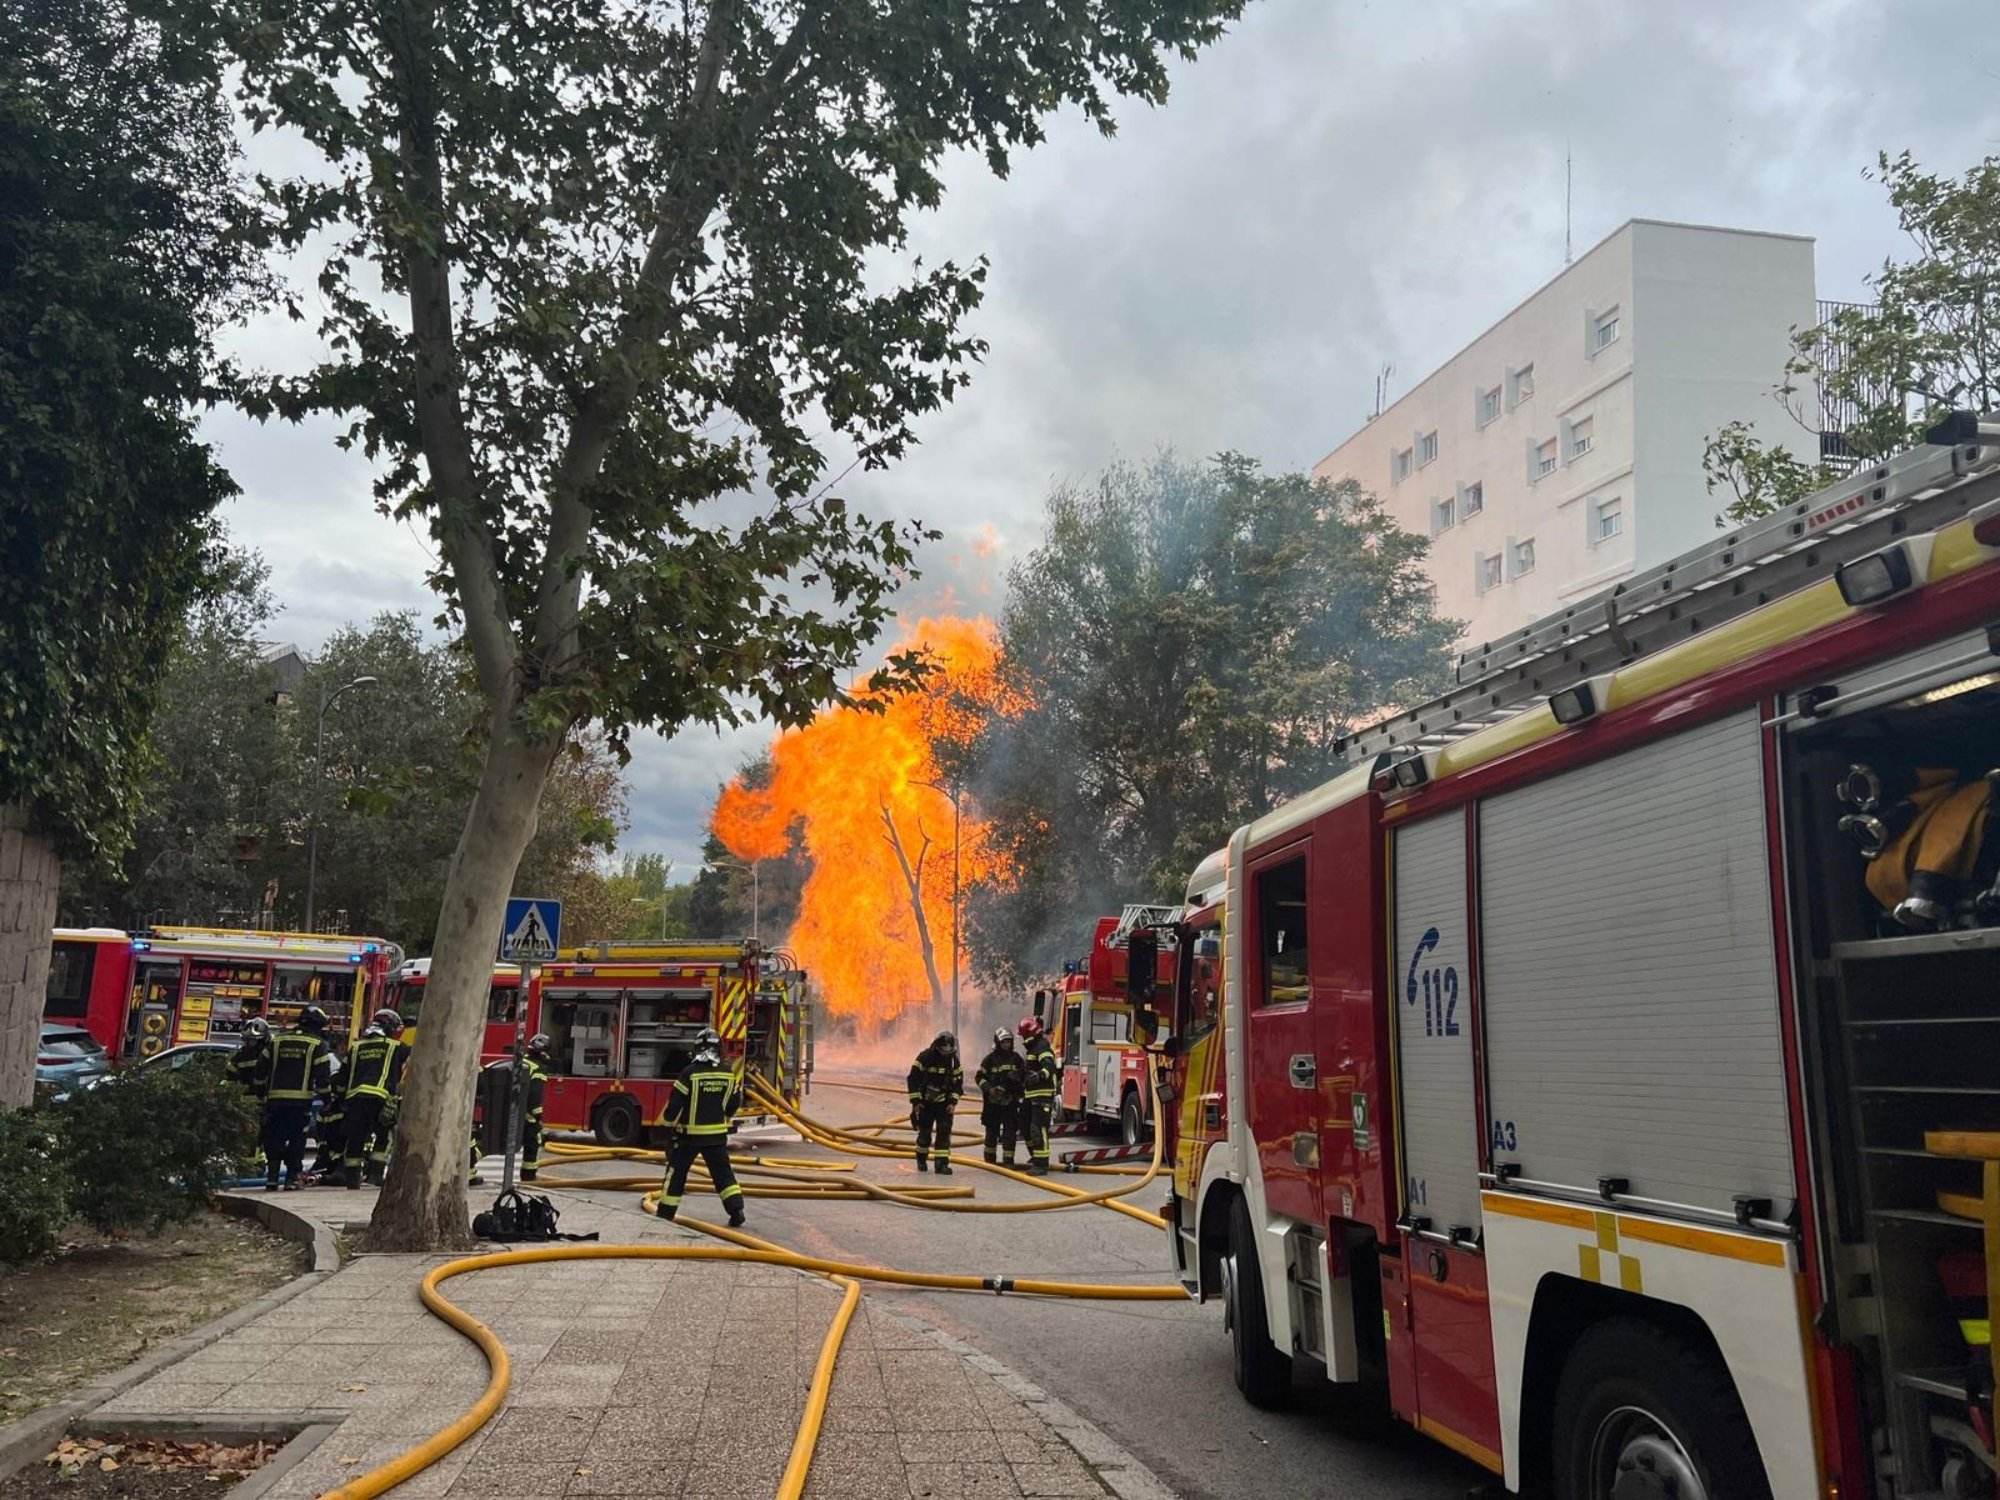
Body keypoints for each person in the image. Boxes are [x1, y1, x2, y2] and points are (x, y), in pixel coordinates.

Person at [655, 1029, 745, 1225]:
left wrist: (667, 1127)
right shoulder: (728, 1073)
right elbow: (734, 1103)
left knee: (677, 1174)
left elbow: (674, 1106)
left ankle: (665, 1213)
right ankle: (736, 1210)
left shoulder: (690, 1073)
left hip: (688, 1137)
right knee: (723, 1175)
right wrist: (724, 1117)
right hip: (717, 1137)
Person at [262, 1007, 335, 1191]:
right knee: (297, 1140)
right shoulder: (317, 1045)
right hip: (299, 1102)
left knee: (274, 1137)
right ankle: (291, 1179)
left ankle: (271, 1179)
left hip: (275, 1100)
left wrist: (259, 1095)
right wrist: (327, 1101)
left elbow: (260, 1070)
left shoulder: (277, 1041)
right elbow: (323, 1078)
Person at [339, 1009, 407, 1188]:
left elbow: (341, 1077)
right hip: (380, 1098)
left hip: (354, 1099)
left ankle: (352, 1180)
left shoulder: (356, 1047)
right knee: (384, 1136)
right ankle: (375, 1175)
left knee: (355, 1138)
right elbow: (417, 1057)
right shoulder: (394, 1046)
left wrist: (338, 1099)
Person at [906, 1031, 962, 1175]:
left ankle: (941, 1164)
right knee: (924, 1134)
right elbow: (913, 1079)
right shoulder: (925, 1057)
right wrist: (916, 1101)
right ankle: (921, 1159)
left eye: (949, 1049)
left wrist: (952, 1101)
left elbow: (957, 1083)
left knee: (944, 1133)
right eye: (944, 1049)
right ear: (937, 1046)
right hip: (926, 1103)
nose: (946, 1052)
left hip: (944, 1104)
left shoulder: (953, 1061)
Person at [974, 1027, 1025, 1166]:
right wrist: (990, 1089)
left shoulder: (1016, 1059)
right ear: (997, 1042)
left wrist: (1016, 1085)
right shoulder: (989, 1060)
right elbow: (979, 1078)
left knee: (1010, 1132)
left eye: (1008, 1042)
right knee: (991, 1132)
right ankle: (990, 1160)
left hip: (1010, 1103)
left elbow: (1023, 1077)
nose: (1006, 1045)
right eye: (1003, 1042)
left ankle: (1008, 1160)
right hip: (992, 1104)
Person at [1018, 1015, 1057, 1176]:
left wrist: (1040, 1075)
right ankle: (1035, 1156)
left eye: (1024, 1035)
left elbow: (1050, 1066)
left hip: (1042, 1095)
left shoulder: (1041, 1047)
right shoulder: (1033, 1048)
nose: (1023, 1039)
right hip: (1031, 1095)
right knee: (1025, 1125)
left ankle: (1042, 1163)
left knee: (1038, 1128)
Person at [518, 1033, 551, 1182]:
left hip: (513, 1110)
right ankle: (528, 1176)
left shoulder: (522, 1062)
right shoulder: (538, 1068)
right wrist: (537, 1116)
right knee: (533, 1141)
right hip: (527, 1114)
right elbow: (535, 1095)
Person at [226, 1017, 271, 1096]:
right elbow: (231, 1074)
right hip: (245, 1100)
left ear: (261, 1040)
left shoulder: (269, 1055)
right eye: (246, 1040)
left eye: (251, 1040)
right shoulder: (242, 1055)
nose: (247, 1043)